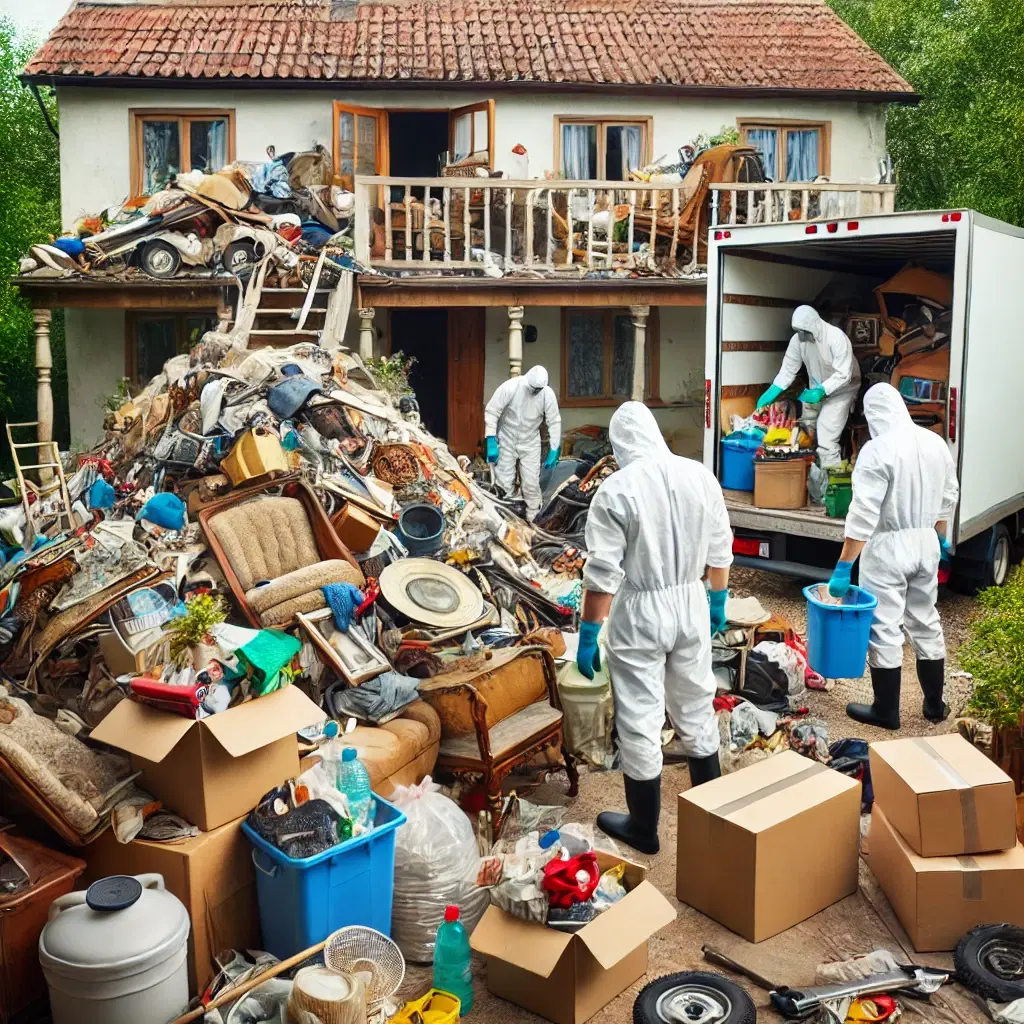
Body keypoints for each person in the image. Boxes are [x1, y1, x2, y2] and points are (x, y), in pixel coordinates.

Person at [576, 402, 733, 854]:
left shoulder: (616, 490)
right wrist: (717, 600)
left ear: (620, 442)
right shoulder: (700, 476)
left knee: (641, 717)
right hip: (690, 602)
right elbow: (721, 550)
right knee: (696, 706)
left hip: (640, 611)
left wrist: (589, 636)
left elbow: (603, 574)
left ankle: (644, 829)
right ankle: (716, 825)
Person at [827, 383, 959, 729]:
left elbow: (863, 515)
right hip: (926, 542)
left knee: (884, 626)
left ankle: (886, 710)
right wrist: (940, 539)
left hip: (887, 547)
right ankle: (934, 705)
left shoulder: (877, 450)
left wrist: (843, 567)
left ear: (873, 414)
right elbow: (948, 497)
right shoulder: (935, 443)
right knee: (925, 618)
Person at [756, 305, 861, 467]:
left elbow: (844, 374)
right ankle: (808, 477)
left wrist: (822, 390)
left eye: (804, 331)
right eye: (798, 331)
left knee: (826, 436)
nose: (801, 335)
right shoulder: (798, 341)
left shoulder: (836, 338)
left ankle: (830, 484)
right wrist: (772, 391)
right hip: (814, 389)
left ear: (814, 325)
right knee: (805, 430)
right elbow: (788, 371)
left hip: (843, 390)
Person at [484, 366, 561, 521]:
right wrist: (491, 439)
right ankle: (505, 520)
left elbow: (554, 421)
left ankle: (534, 523)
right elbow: (492, 411)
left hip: (530, 441)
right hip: (507, 438)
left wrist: (554, 448)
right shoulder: (511, 387)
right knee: (504, 484)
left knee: (531, 485)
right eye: (533, 388)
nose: (535, 392)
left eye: (539, 389)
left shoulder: (547, 394)